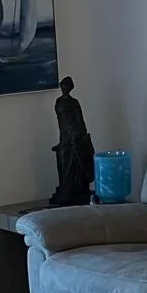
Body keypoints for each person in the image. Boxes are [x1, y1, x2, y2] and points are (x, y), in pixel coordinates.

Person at [49, 76, 95, 206]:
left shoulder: (74, 103)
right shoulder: (59, 102)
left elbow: (79, 119)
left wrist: (82, 135)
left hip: (75, 133)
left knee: (75, 160)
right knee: (64, 160)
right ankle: (66, 185)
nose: (64, 89)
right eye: (63, 86)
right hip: (64, 134)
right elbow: (61, 120)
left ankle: (76, 186)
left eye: (66, 86)